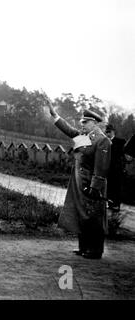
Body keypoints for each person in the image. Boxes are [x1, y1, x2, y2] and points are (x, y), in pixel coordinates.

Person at [45, 98, 111, 259]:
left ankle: (95, 250)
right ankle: (83, 247)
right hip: (79, 183)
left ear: (94, 123)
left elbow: (101, 167)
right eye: (82, 122)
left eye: (85, 122)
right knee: (81, 213)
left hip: (92, 185)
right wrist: (55, 115)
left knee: (93, 216)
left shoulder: (102, 141)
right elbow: (70, 131)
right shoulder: (85, 137)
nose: (82, 125)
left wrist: (95, 186)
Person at [104, 124, 126, 212]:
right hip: (108, 169)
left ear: (113, 132)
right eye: (106, 132)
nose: (107, 134)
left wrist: (123, 166)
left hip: (117, 169)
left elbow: (125, 155)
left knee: (117, 187)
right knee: (109, 187)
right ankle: (110, 204)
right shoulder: (105, 142)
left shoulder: (121, 142)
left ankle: (116, 205)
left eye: (109, 132)